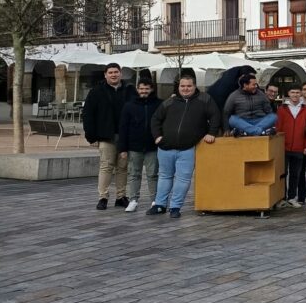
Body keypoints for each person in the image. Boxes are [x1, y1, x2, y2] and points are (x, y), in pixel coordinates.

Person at [147, 74, 221, 218]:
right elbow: (156, 119)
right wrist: (157, 137)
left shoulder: (205, 99)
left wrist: (211, 132)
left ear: (194, 86)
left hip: (188, 148)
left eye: (189, 86)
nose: (185, 89)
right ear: (178, 87)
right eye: (182, 86)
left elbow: (215, 116)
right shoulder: (170, 101)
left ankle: (175, 207)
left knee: (183, 179)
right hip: (165, 147)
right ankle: (159, 205)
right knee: (164, 177)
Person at [82, 63, 137, 210]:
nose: (114, 75)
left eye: (116, 72)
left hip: (125, 136)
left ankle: (121, 196)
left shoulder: (130, 90)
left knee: (123, 168)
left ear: (121, 74)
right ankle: (103, 197)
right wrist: (91, 136)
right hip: (106, 136)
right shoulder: (96, 91)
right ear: (105, 75)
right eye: (111, 72)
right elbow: (88, 114)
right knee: (106, 167)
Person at [117, 77, 162, 213]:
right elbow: (123, 128)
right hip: (134, 146)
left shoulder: (159, 104)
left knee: (152, 175)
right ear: (137, 89)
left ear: (151, 89)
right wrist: (123, 148)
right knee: (134, 174)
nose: (144, 91)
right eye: (141, 89)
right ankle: (133, 200)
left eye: (146, 89)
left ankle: (155, 200)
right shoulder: (129, 106)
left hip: (152, 146)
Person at [276, 86, 306, 207]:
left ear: (300, 94)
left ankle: (291, 197)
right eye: (292, 92)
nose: (295, 94)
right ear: (288, 94)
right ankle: (282, 198)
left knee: (296, 174)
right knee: (282, 173)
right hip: (284, 147)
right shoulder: (282, 109)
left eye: (297, 92)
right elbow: (278, 128)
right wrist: (278, 146)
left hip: (299, 147)